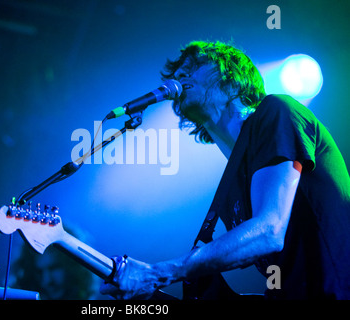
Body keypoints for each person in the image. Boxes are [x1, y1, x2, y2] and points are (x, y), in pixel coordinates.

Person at [100, 40, 350, 300]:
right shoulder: (232, 188)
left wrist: (156, 273)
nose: (180, 75)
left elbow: (269, 232)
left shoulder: (276, 111)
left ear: (232, 78)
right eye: (179, 72)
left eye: (194, 66)